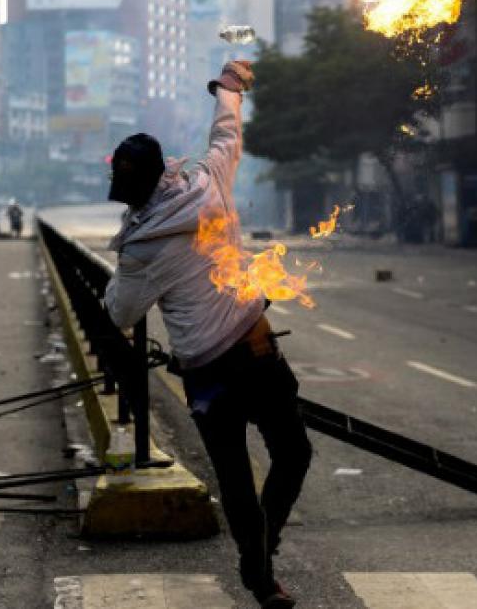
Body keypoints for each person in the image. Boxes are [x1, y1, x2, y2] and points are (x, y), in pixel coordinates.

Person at [104, 61, 309, 609]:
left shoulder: (142, 246)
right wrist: (229, 88)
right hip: (257, 347)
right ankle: (260, 560)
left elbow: (120, 313)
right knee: (294, 454)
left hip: (207, 375)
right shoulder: (207, 180)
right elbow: (226, 132)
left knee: (238, 481)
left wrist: (121, 254)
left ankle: (259, 566)